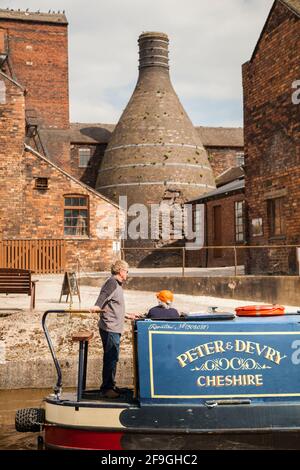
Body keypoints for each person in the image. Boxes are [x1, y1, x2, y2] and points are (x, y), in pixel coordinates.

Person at [90, 260, 129, 399]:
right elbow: (103, 295)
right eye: (127, 271)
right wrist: (96, 306)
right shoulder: (112, 282)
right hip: (110, 327)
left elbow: (114, 306)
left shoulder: (117, 284)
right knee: (111, 357)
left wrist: (127, 315)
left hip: (114, 326)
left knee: (113, 357)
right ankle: (107, 389)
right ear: (121, 271)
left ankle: (110, 385)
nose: (127, 274)